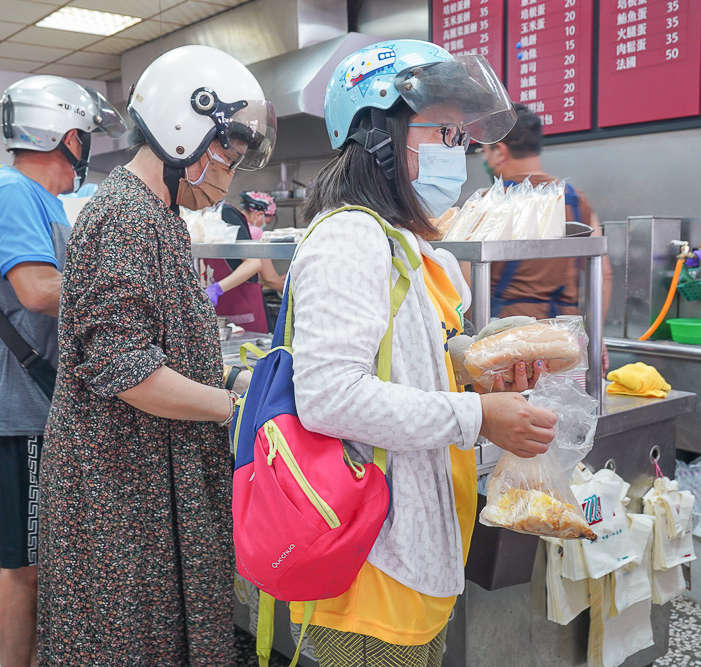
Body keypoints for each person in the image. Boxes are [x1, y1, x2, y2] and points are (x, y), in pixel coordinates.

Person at [288, 40, 557, 665]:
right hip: (369, 569)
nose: (457, 155)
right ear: (379, 133)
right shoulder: (348, 238)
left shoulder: (409, 245)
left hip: (415, 547)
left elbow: (413, 350)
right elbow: (330, 397)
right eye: (444, 133)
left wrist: (472, 358)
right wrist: (479, 417)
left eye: (463, 139)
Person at [37, 44, 275, 665]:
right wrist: (233, 405)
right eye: (227, 150)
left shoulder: (160, 212)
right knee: (129, 641)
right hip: (121, 486)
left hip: (150, 473)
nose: (229, 169)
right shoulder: (123, 215)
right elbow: (127, 370)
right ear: (182, 130)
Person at [0, 76, 125, 667]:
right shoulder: (8, 189)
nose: (88, 147)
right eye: (86, 135)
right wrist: (126, 288)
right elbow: (35, 291)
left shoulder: (46, 203)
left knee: (46, 562)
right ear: (65, 134)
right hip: (16, 411)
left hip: (41, 406)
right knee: (25, 567)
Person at [479, 102, 613, 321]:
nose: (484, 159)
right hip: (564, 332)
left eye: (484, 151)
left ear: (500, 151)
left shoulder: (489, 200)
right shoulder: (576, 198)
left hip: (507, 331)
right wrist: (595, 337)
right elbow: (603, 273)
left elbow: (467, 278)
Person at [200, 191, 285, 332]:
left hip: (244, 307)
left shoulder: (225, 213)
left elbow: (253, 263)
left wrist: (216, 289)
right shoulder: (211, 216)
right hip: (225, 307)